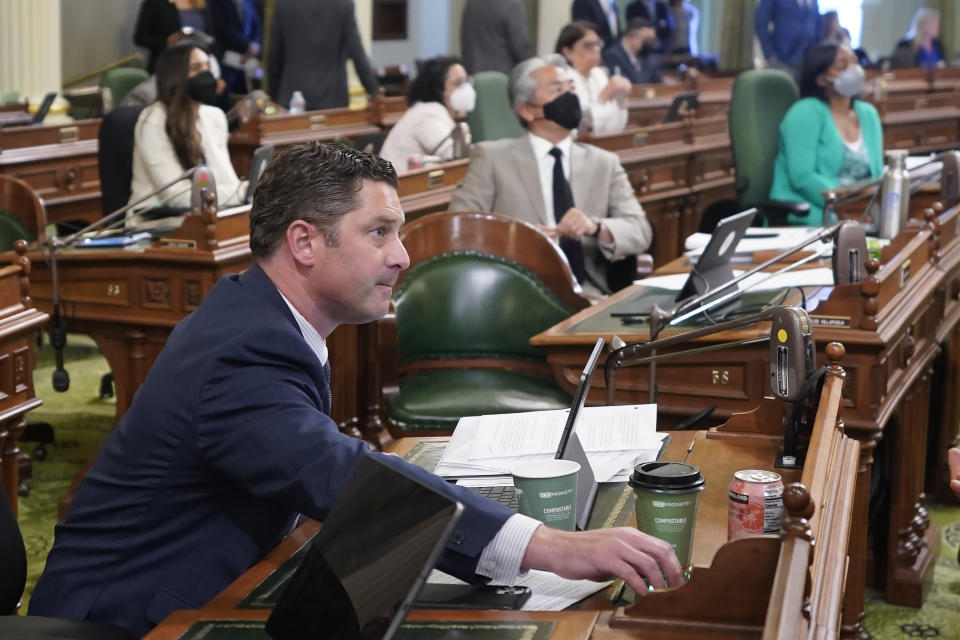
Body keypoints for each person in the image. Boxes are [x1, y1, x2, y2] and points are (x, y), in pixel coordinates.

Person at [29, 141, 681, 637]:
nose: (401, 256)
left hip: (233, 577)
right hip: (131, 618)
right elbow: (336, 473)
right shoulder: (242, 348)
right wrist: (548, 546)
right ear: (305, 243)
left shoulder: (259, 316)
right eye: (380, 233)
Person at [448, 56, 652, 297]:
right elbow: (457, 229)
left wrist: (596, 226)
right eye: (557, 89)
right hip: (517, 292)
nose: (570, 97)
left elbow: (641, 230)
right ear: (526, 110)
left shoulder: (604, 162)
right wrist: (521, 239)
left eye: (572, 89)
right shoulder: (492, 158)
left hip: (589, 295)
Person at [126, 43, 245, 227]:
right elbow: (178, 198)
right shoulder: (153, 121)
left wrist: (245, 192)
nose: (206, 74)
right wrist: (241, 192)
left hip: (210, 220)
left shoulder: (215, 116)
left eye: (208, 66)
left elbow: (227, 181)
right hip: (157, 227)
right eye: (196, 68)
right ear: (175, 76)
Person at [769, 43, 883, 226]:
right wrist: (847, 207)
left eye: (854, 62)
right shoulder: (805, 113)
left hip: (862, 215)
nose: (854, 70)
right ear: (822, 79)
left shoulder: (868, 114)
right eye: (842, 66)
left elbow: (877, 175)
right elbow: (803, 178)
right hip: (815, 216)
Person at [267, 0, 380, 111]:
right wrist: (375, 92)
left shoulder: (284, 4)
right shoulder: (343, 4)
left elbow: (274, 56)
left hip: (291, 99)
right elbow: (356, 52)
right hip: (333, 101)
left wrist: (274, 96)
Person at [379, 57, 475, 171]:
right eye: (457, 83)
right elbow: (454, 156)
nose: (465, 89)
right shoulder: (427, 115)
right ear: (438, 88)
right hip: (399, 185)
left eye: (466, 81)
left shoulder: (433, 111)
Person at [557, 21, 631, 135]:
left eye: (598, 44)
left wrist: (620, 101)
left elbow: (615, 129)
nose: (596, 49)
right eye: (589, 45)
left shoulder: (598, 74)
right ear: (567, 52)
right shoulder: (561, 80)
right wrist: (604, 97)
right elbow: (578, 130)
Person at [134, 0, 218, 74]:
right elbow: (140, 37)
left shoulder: (202, 2)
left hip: (200, 68)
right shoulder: (155, 3)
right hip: (168, 68)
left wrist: (219, 74)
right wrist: (167, 41)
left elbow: (212, 38)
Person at [460, 0, 532, 75]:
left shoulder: (471, 3)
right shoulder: (513, 3)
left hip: (472, 74)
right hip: (501, 78)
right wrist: (532, 71)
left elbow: (465, 41)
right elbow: (520, 46)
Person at [207, 0, 262, 94]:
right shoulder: (215, 2)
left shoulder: (250, 2)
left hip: (251, 60)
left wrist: (255, 46)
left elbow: (257, 23)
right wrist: (247, 46)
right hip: (227, 60)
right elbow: (220, 27)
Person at [754, 0, 821, 74]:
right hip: (782, 57)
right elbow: (761, 21)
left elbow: (818, 23)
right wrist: (769, 53)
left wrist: (817, 52)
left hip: (808, 59)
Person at [602, 18, 663, 85]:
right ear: (631, 36)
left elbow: (658, 83)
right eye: (647, 40)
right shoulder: (612, 56)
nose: (650, 45)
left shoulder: (649, 58)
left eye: (652, 40)